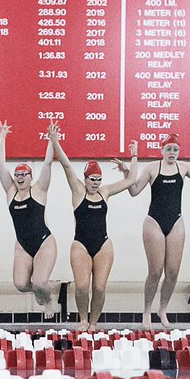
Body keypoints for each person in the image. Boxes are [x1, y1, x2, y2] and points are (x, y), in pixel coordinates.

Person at [128, 133, 190, 327]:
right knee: (155, 271)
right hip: (153, 222)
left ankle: (162, 309)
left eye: (175, 149)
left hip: (176, 223)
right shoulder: (152, 168)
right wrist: (127, 170)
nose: (172, 152)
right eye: (169, 149)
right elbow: (134, 191)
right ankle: (146, 310)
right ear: (162, 150)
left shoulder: (183, 168)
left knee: (172, 272)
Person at [55, 134, 139, 329]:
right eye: (92, 179)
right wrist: (55, 141)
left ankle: (93, 322)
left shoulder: (105, 192)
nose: (96, 183)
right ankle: (83, 319)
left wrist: (133, 157)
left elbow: (131, 180)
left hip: (103, 244)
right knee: (82, 286)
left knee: (99, 288)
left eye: (99, 179)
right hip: (81, 245)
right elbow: (66, 165)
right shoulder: (78, 191)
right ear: (85, 179)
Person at [0, 121, 58, 314]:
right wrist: (2, 137)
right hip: (22, 245)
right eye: (17, 174)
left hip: (44, 243)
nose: (20, 177)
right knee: (21, 284)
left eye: (24, 174)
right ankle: (42, 290)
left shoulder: (39, 190)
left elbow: (47, 163)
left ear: (31, 177)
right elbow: (0, 163)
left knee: (39, 282)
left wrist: (52, 140)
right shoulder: (10, 192)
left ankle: (48, 298)